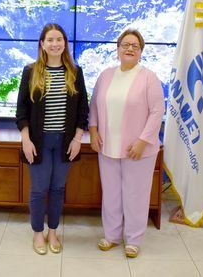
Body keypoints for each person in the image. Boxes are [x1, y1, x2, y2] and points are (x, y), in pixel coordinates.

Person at [89, 29, 164, 258]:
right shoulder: (105, 75)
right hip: (107, 146)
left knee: (135, 195)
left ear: (141, 52)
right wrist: (93, 131)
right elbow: (93, 106)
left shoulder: (149, 77)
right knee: (111, 193)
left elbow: (157, 111)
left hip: (138, 150)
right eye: (125, 44)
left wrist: (143, 141)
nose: (129, 48)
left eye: (135, 45)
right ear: (117, 49)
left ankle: (133, 240)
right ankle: (111, 236)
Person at [16, 23, 89, 255]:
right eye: (50, 40)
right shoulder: (30, 71)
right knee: (38, 189)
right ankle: (38, 233)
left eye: (59, 39)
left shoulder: (75, 73)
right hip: (38, 142)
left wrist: (78, 139)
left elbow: (82, 111)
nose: (55, 43)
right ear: (42, 44)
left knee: (58, 189)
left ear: (65, 43)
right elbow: (21, 110)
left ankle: (53, 231)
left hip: (66, 142)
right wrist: (25, 140)